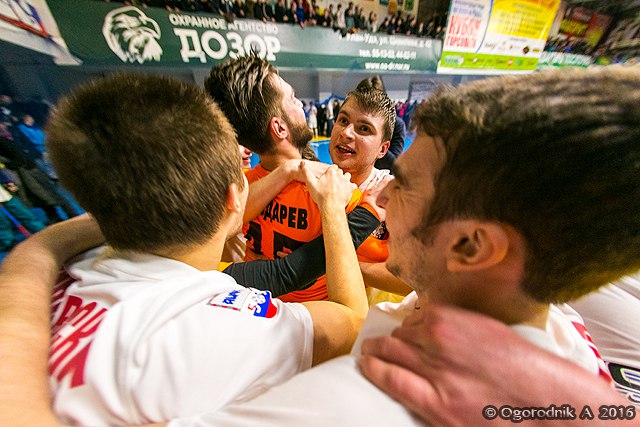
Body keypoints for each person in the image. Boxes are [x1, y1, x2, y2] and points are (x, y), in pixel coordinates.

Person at [2, 68, 640, 426]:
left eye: (401, 180)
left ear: (473, 246)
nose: (386, 196)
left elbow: (318, 291)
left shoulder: (364, 391)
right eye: (343, 121)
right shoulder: (559, 340)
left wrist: (39, 253)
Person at [0, 72, 369, 425]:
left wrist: (44, 245)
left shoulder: (58, 266)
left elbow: (38, 251)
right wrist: (335, 208)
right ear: (233, 196)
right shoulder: (225, 327)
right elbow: (352, 322)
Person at [205, 55, 381, 303]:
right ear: (279, 128)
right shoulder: (334, 190)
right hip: (316, 316)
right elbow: (381, 268)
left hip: (254, 307)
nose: (299, 103)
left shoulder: (238, 189)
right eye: (292, 98)